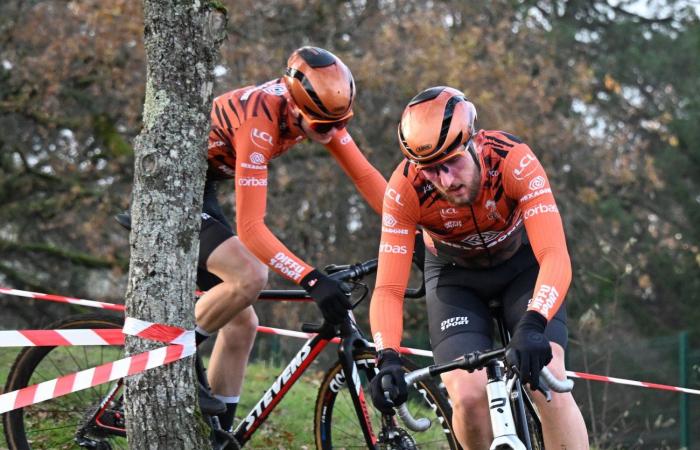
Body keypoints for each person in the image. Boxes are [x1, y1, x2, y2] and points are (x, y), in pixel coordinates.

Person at [368, 86, 589, 449]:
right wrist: (386, 356)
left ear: (474, 141)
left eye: (452, 162)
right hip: (456, 279)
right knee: (469, 398)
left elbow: (554, 254)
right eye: (431, 170)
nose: (446, 180)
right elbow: (389, 288)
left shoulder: (513, 160)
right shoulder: (405, 190)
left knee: (547, 381)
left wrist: (534, 322)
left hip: (522, 267)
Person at [194, 46, 388, 432]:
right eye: (322, 128)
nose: (333, 134)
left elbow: (366, 178)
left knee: (241, 324)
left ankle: (216, 438)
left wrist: (417, 231)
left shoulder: (321, 111)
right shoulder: (259, 124)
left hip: (204, 186)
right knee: (249, 276)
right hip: (173, 189)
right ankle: (173, 357)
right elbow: (252, 229)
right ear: (296, 108)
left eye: (342, 123)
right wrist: (311, 279)